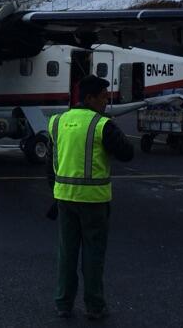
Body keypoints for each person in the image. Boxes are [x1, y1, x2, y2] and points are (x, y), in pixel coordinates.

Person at [47, 75, 134, 320]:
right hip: (94, 202)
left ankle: (63, 303)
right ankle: (94, 306)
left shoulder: (56, 122)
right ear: (89, 98)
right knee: (93, 255)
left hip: (64, 199)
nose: (106, 103)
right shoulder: (102, 125)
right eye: (104, 97)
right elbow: (127, 154)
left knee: (67, 253)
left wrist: (55, 192)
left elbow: (50, 163)